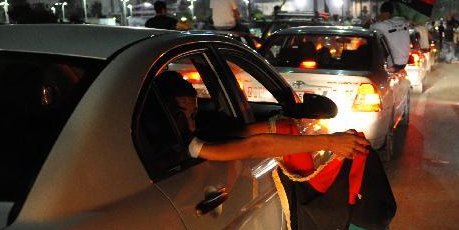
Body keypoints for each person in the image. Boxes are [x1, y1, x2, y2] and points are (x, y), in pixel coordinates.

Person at [155, 71, 370, 161]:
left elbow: (244, 132)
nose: (191, 126)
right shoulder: (184, 146)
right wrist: (329, 142)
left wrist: (274, 125)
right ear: (162, 113)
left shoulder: (187, 135)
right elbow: (256, 146)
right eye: (180, 116)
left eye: (194, 115)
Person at [370, 1, 412, 67]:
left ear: (381, 13)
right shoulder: (403, 21)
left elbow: (365, 30)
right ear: (392, 12)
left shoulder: (380, 26)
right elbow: (409, 22)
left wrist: (375, 19)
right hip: (405, 61)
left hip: (392, 63)